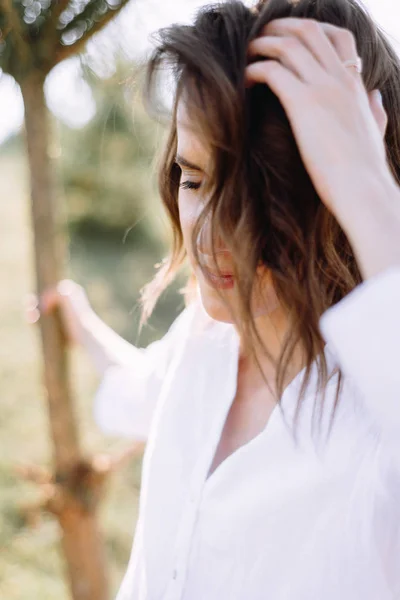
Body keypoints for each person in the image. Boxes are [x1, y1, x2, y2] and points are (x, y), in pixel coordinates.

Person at [33, 0, 400, 598]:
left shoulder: (377, 431)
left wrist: (368, 185)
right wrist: (82, 323)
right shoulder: (204, 344)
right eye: (194, 178)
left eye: (261, 192)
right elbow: (143, 389)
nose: (209, 233)